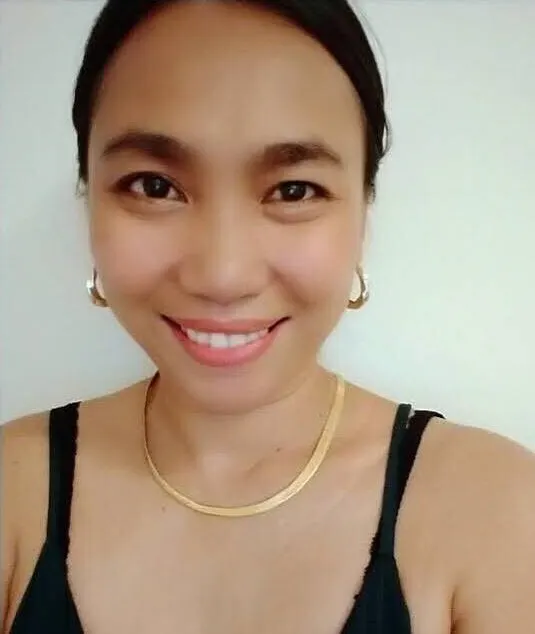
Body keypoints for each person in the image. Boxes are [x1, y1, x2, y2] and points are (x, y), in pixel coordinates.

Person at [1, 0, 534, 632]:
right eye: (154, 186)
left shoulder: (495, 510)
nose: (223, 276)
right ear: (88, 198)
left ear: (363, 213)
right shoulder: (12, 491)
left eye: (293, 190)